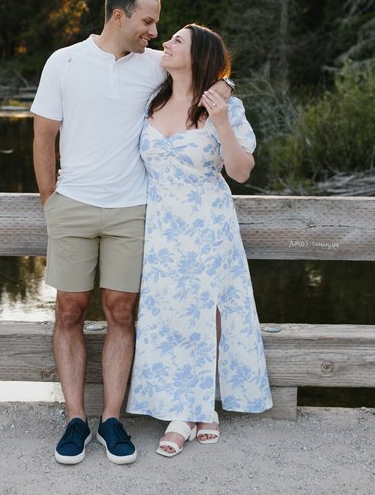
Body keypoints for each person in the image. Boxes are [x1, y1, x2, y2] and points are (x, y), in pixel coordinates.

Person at [31, 0, 234, 465]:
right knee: (70, 312)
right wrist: (50, 201)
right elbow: (43, 138)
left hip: (132, 210)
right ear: (119, 15)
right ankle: (76, 420)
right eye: (147, 20)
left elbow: (208, 78)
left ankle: (113, 420)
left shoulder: (154, 67)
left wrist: (224, 85)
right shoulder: (65, 62)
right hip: (73, 205)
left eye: (158, 24)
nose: (154, 31)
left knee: (122, 313)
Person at [125, 23, 272, 458]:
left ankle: (190, 412)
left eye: (177, 41)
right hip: (162, 227)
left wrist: (222, 119)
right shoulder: (152, 95)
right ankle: (194, 405)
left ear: (197, 55)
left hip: (208, 224)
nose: (166, 43)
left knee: (209, 313)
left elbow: (241, 171)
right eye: (166, 38)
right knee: (167, 313)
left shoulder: (223, 107)